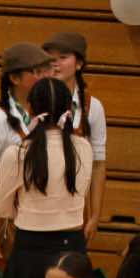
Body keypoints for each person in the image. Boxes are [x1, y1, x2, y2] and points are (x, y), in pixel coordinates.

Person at [0, 78, 90, 278]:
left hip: (30, 249)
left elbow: (2, 209)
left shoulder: (18, 153)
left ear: (29, 109)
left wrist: (27, 211)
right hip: (72, 246)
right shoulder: (84, 148)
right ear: (70, 109)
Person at [0, 43, 53, 253]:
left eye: (46, 71)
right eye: (36, 72)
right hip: (4, 217)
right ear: (15, 78)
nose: (45, 77)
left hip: (39, 215)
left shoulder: (45, 115)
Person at [43, 32, 107, 242]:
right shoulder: (33, 100)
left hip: (75, 210)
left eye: (62, 57)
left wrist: (95, 215)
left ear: (79, 63)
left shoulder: (92, 107)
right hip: (36, 205)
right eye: (50, 58)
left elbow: (98, 164)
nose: (55, 63)